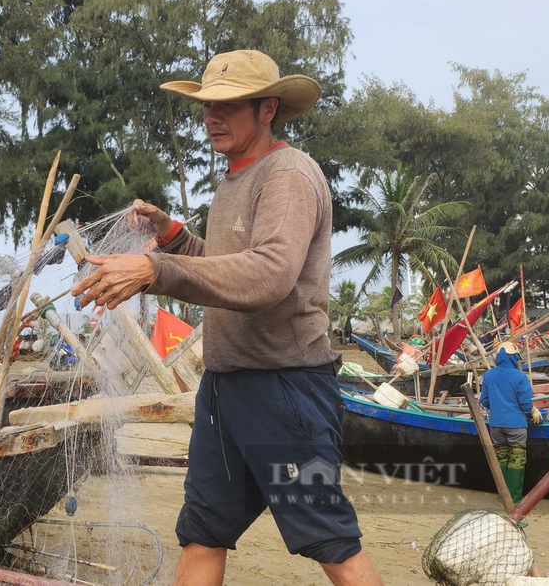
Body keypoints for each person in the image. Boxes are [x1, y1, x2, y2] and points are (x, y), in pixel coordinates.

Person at [72, 50, 383, 586]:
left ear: (268, 109)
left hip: (284, 388)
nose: (212, 117)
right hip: (224, 389)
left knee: (331, 543)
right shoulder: (234, 180)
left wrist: (155, 268)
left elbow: (268, 275)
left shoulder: (288, 174)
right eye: (207, 106)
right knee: (203, 532)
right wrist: (172, 236)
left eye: (229, 106)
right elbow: (225, 268)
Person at [479, 342, 542, 503]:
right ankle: (514, 499)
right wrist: (534, 411)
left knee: (501, 457)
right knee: (517, 459)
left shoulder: (489, 375)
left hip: (496, 425)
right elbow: (525, 402)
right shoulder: (520, 376)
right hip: (516, 425)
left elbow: (484, 400)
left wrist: (498, 408)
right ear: (513, 358)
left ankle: (502, 496)